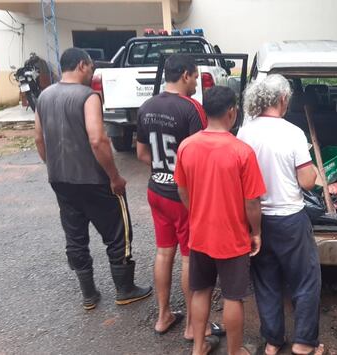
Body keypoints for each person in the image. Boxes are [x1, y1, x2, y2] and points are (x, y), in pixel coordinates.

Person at [34, 48, 152, 310]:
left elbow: (39, 139)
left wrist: (52, 166)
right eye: (91, 67)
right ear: (81, 65)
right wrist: (114, 176)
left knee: (75, 235)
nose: (93, 71)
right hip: (93, 180)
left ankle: (89, 294)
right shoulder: (88, 96)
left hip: (60, 180)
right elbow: (98, 140)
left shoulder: (44, 96)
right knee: (117, 231)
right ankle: (125, 289)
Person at [136, 54, 225, 340]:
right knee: (189, 257)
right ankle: (192, 326)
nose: (197, 82)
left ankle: (163, 316)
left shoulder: (146, 106)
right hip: (182, 196)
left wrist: (162, 171)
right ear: (185, 74)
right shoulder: (192, 109)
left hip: (155, 189)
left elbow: (141, 154)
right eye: (196, 76)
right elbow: (201, 156)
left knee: (164, 252)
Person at [237, 74, 325, 355]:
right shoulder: (292, 133)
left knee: (266, 282)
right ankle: (302, 343)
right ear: (283, 100)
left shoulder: (245, 132)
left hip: (257, 218)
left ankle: (273, 341)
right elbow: (307, 182)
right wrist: (315, 171)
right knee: (305, 280)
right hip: (290, 218)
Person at [174, 86, 266, 355]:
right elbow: (252, 202)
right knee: (232, 296)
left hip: (200, 233)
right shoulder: (242, 152)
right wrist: (256, 231)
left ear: (203, 111)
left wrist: (197, 211)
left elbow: (182, 189)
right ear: (232, 112)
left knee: (201, 291)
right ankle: (234, 351)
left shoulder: (187, 146)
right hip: (232, 236)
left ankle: (199, 347)